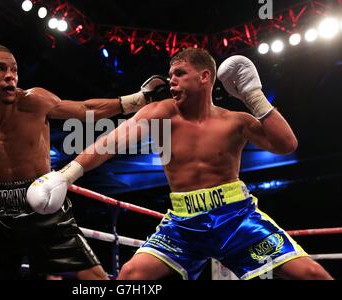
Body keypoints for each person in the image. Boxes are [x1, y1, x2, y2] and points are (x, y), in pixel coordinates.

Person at [36, 48, 333, 280]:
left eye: (179, 73)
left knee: (311, 274)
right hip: (183, 223)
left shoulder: (235, 121)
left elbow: (286, 144)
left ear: (204, 77)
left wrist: (253, 96)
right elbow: (111, 142)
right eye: (170, 74)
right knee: (130, 276)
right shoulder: (161, 113)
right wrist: (66, 175)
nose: (171, 81)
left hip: (236, 218)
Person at [0, 44, 170, 280]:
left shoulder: (33, 101)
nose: (10, 75)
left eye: (14, 70)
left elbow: (85, 109)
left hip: (45, 207)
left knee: (95, 280)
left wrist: (139, 99)